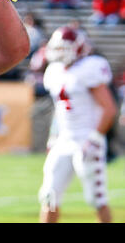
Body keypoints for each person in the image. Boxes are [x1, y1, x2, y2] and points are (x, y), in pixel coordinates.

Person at [38, 26, 117, 223]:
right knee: (50, 194)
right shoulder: (54, 71)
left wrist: (95, 138)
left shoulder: (90, 67)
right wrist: (53, 136)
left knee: (96, 198)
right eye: (58, 48)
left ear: (79, 48)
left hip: (87, 138)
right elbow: (59, 109)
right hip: (63, 140)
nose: (60, 52)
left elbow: (109, 109)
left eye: (65, 48)